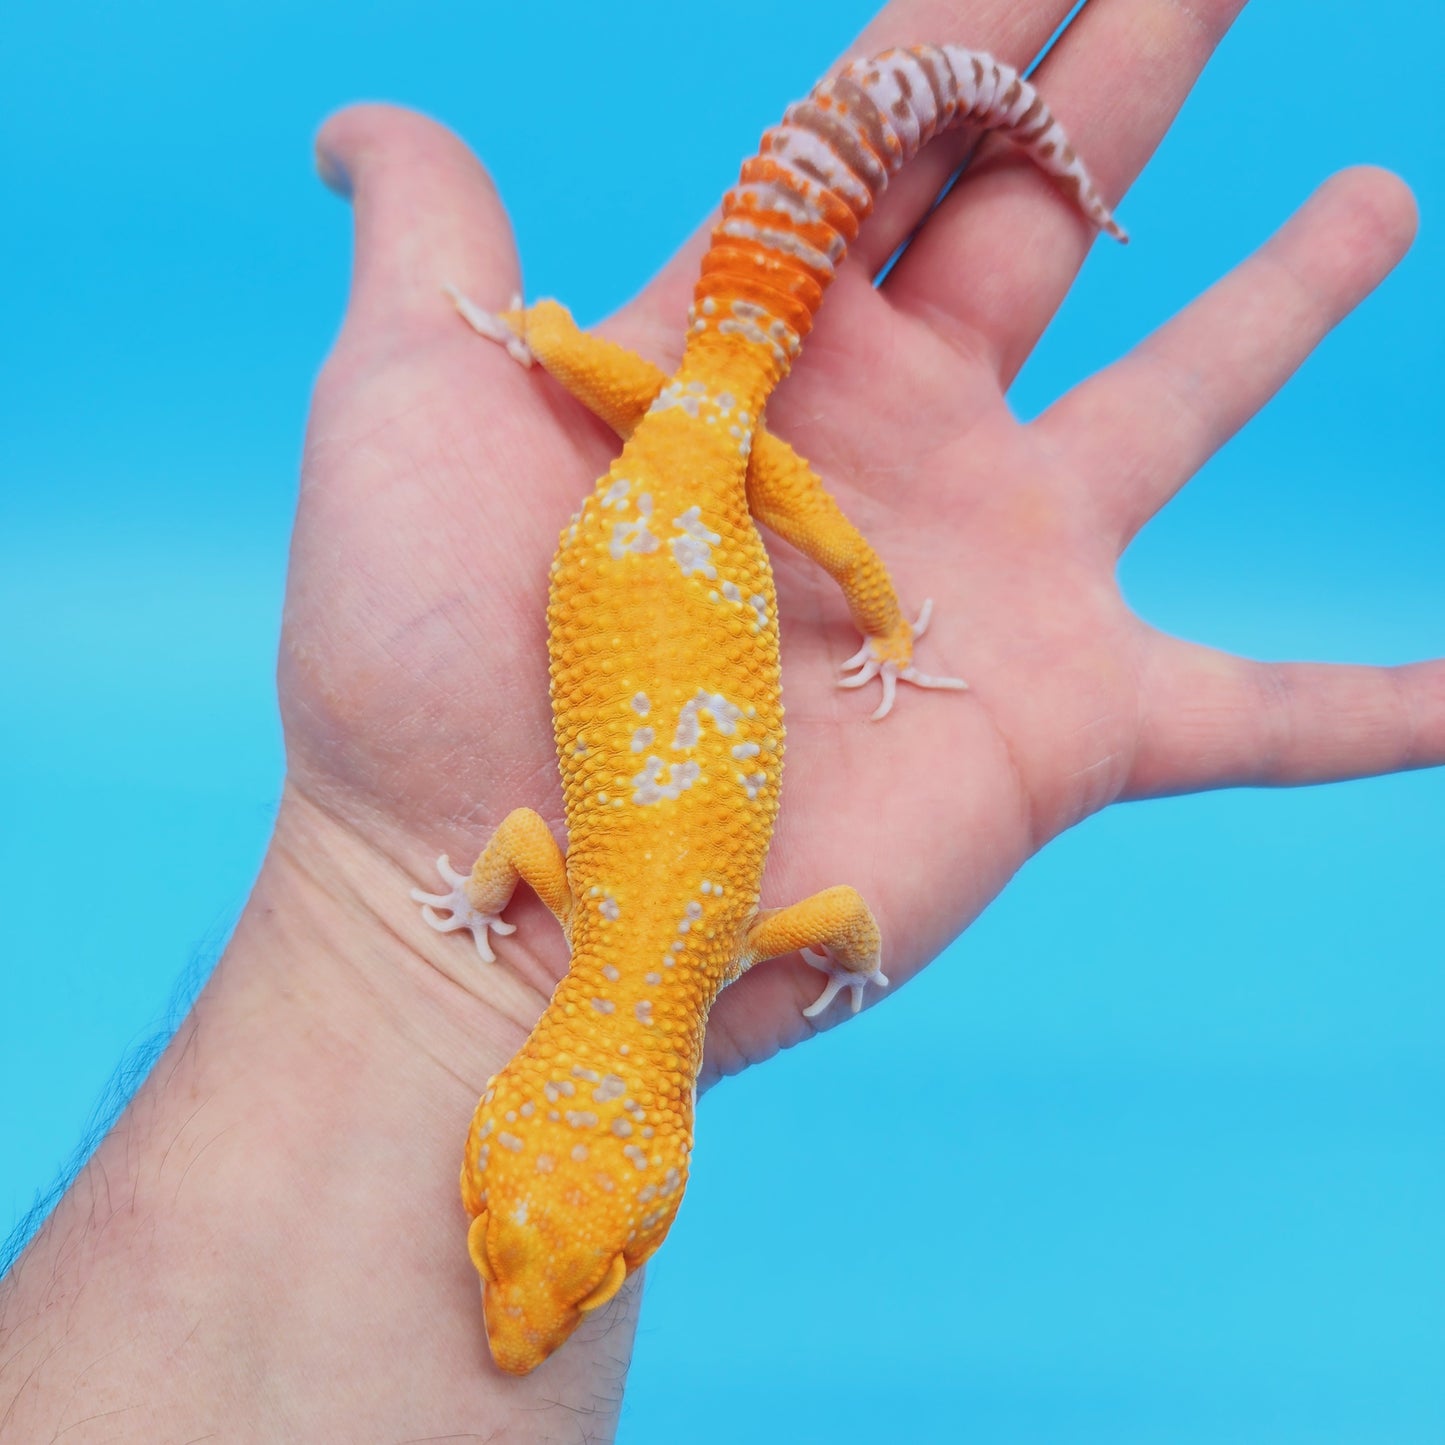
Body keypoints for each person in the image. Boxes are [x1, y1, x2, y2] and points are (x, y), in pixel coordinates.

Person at [0, 0, 1436, 1435]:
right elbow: (514, 844)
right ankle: (661, 345)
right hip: (699, 446)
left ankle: (801, 336)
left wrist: (851, 908)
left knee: (727, 400)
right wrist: (561, 359)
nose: (515, 1313)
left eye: (509, 1245)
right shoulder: (585, 918)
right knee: (708, 403)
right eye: (579, 1261)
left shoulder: (732, 947)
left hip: (692, 442)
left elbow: (834, 926)